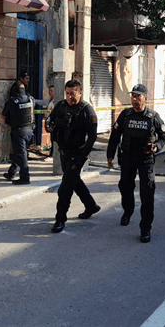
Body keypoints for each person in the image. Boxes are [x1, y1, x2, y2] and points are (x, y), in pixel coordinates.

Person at [107, 84, 165, 243]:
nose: (135, 99)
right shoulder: (125, 115)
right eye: (133, 96)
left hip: (146, 159)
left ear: (145, 98)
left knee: (147, 193)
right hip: (127, 157)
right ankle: (128, 211)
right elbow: (115, 135)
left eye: (138, 96)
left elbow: (163, 136)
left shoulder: (153, 117)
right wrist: (110, 154)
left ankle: (145, 228)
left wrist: (156, 147)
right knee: (125, 187)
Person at [45, 79, 100, 233]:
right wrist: (48, 126)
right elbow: (50, 119)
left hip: (77, 155)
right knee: (74, 181)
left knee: (65, 188)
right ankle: (91, 205)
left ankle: (60, 219)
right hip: (63, 152)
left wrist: (83, 157)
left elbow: (93, 136)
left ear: (80, 93)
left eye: (73, 94)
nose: (70, 97)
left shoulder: (87, 111)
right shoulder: (61, 105)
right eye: (68, 93)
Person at [2, 82, 35, 185]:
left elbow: (3, 116)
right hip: (30, 130)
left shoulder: (12, 102)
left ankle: (25, 177)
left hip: (19, 131)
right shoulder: (30, 99)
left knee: (21, 154)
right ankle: (11, 173)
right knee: (18, 152)